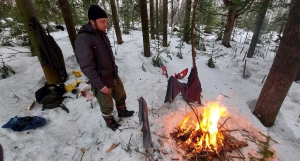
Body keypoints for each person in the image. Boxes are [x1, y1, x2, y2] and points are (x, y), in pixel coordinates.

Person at [75, 5, 134, 131]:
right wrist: (99, 85)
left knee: (121, 95)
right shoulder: (83, 39)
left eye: (106, 21)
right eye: (102, 22)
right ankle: (110, 121)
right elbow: (87, 67)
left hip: (112, 75)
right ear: (92, 21)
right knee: (106, 104)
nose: (105, 24)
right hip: (101, 80)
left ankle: (122, 112)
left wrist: (115, 70)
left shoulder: (102, 35)